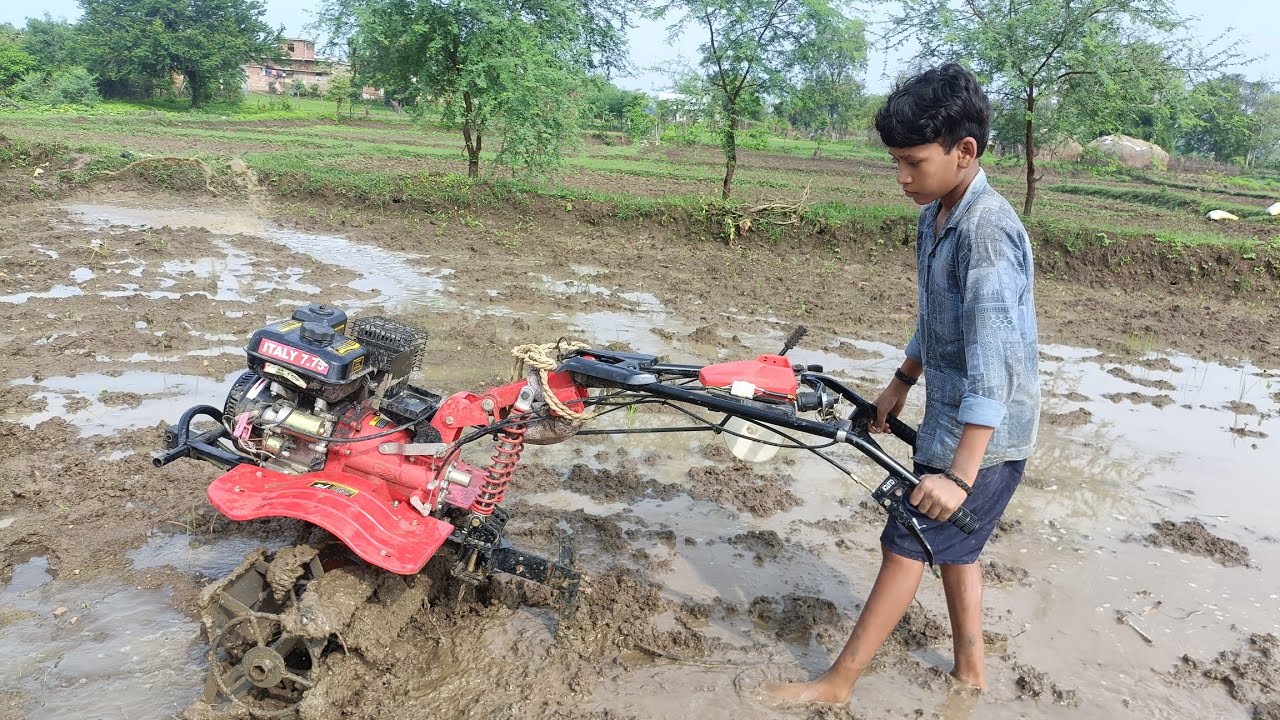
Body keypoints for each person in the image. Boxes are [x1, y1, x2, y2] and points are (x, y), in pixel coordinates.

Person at [768, 63, 1040, 704]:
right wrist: (900, 382)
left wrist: (960, 477)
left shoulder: (987, 232)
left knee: (905, 541)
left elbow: (994, 365)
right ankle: (970, 674)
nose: (901, 178)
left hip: (984, 441)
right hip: (949, 419)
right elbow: (939, 320)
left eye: (913, 162)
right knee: (958, 551)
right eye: (895, 162)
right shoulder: (937, 215)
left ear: (964, 151)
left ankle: (837, 684)